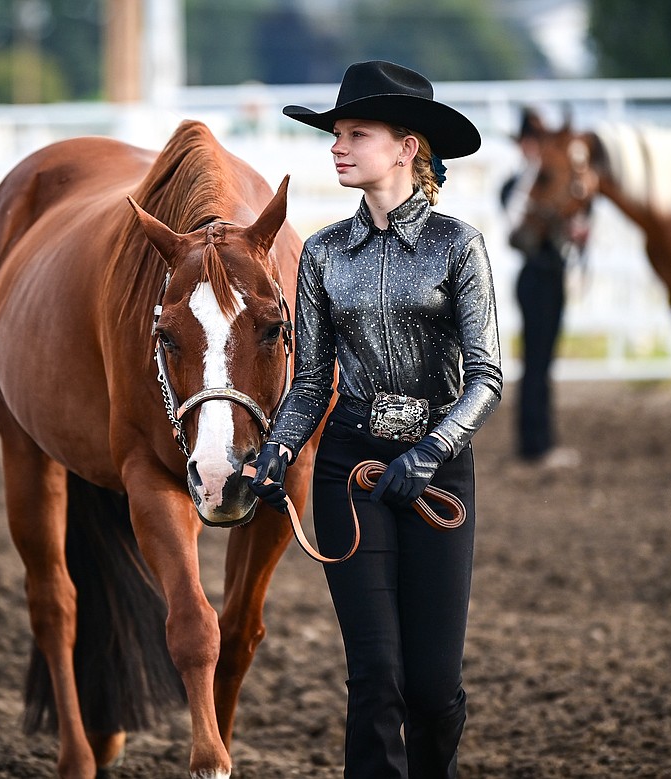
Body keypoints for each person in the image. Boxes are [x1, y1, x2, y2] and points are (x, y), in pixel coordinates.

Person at [247, 60, 502, 779]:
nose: (337, 145)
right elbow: (310, 383)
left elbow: (486, 377)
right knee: (375, 676)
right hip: (348, 469)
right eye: (337, 133)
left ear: (406, 146)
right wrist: (277, 448)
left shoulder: (459, 247)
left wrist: (434, 448)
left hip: (435, 468)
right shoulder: (324, 254)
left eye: (356, 133)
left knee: (432, 687)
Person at [500, 107, 583, 469]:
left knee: (542, 361)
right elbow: (518, 229)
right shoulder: (518, 186)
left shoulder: (544, 181)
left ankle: (539, 440)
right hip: (535, 275)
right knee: (536, 362)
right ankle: (535, 444)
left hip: (550, 272)